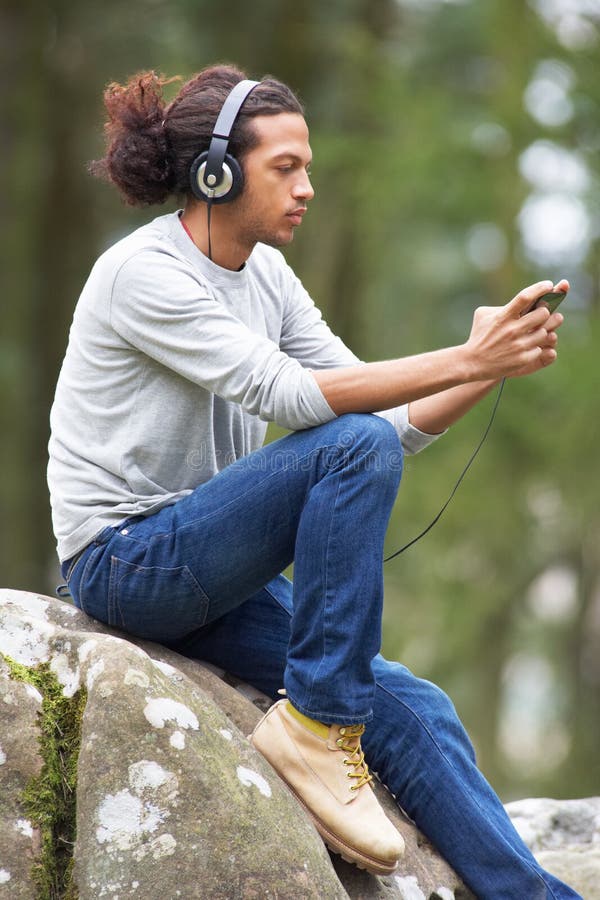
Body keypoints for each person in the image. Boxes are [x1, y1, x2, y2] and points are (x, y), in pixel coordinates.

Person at [48, 64, 580, 898]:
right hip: (126, 565)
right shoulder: (142, 275)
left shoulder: (265, 275)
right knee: (348, 444)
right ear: (214, 172)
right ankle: (319, 724)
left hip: (208, 573)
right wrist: (462, 357)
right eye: (284, 167)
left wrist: (483, 367)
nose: (306, 188)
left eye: (308, 167)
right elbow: (295, 400)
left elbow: (387, 428)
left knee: (415, 708)